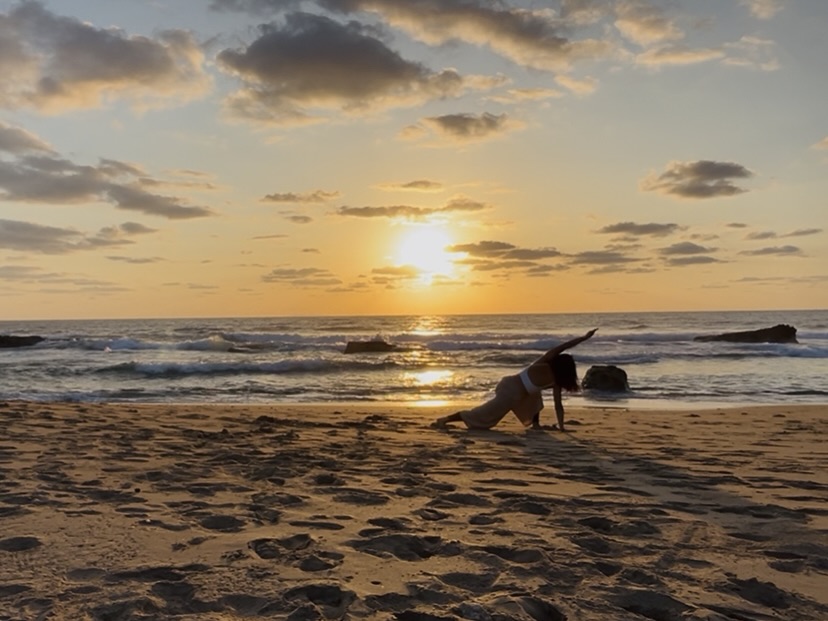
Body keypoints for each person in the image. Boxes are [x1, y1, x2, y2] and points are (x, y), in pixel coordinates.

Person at [431, 328, 597, 432]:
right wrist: (584, 338)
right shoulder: (545, 363)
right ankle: (443, 419)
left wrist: (562, 428)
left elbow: (558, 405)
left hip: (519, 392)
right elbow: (563, 347)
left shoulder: (554, 377)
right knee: (482, 417)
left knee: (536, 397)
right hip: (509, 390)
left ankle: (536, 425)